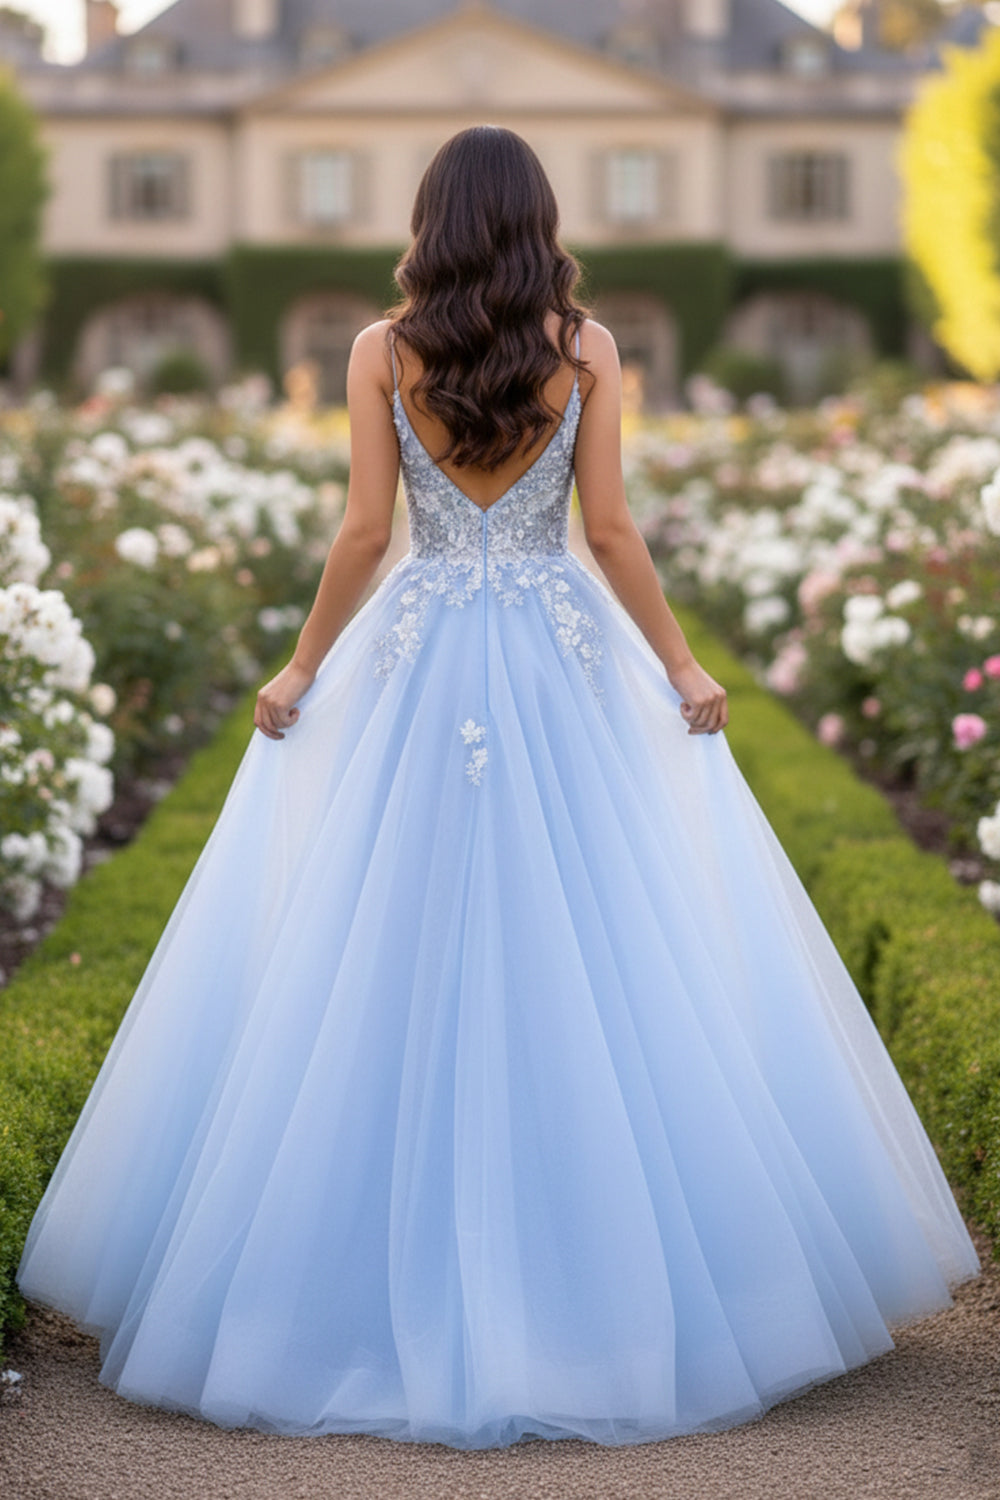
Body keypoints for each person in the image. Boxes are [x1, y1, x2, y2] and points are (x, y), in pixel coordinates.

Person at [17, 126, 978, 1450]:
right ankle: (610, 1280)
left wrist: (302, 670)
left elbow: (366, 534)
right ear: (536, 220)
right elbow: (611, 530)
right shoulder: (587, 349)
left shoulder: (380, 351)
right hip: (553, 654)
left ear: (429, 219)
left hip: (414, 659)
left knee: (378, 949)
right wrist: (683, 664)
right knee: (596, 942)